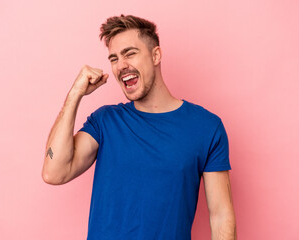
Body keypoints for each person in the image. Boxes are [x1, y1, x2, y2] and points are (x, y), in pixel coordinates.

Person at [42, 14, 237, 240]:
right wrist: (75, 94)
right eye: (114, 58)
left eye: (130, 54)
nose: (121, 65)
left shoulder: (206, 127)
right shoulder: (105, 122)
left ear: (156, 55)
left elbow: (221, 216)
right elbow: (53, 173)